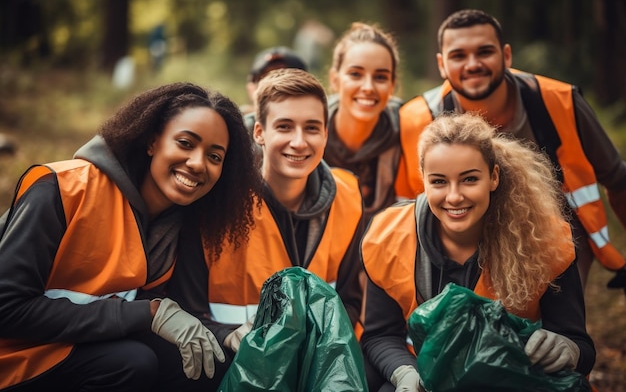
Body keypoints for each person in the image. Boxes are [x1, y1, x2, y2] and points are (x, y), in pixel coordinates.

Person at [0, 82, 262, 391]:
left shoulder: (181, 223)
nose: (197, 163)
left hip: (80, 345)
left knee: (209, 361)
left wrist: (225, 336)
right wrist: (146, 314)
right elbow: (6, 307)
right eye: (185, 143)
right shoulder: (64, 188)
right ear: (153, 142)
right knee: (131, 363)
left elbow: (174, 312)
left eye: (214, 157)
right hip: (14, 357)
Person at [361, 112, 596, 392]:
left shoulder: (544, 241)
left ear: (493, 177)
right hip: (425, 379)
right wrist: (404, 374)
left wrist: (568, 348)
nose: (454, 196)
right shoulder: (387, 238)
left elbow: (581, 346)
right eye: (439, 181)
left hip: (510, 380)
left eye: (469, 179)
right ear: (422, 178)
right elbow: (380, 335)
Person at [396, 8, 626, 290]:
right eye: (458, 56)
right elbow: (408, 211)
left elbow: (617, 179)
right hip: (463, 249)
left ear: (506, 56)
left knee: (556, 331)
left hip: (558, 242)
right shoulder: (416, 119)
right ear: (442, 64)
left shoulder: (560, 101)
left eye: (484, 52)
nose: (472, 64)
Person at [164, 68, 365, 385]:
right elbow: (187, 307)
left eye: (311, 128)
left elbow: (352, 301)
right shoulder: (216, 199)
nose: (299, 142)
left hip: (317, 367)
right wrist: (229, 336)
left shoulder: (349, 197)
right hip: (231, 363)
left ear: (326, 133)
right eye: (284, 127)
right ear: (259, 132)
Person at [326, 21, 403, 223]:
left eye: (380, 77)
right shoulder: (308, 129)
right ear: (335, 79)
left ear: (392, 85)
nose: (368, 87)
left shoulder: (407, 131)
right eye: (355, 74)